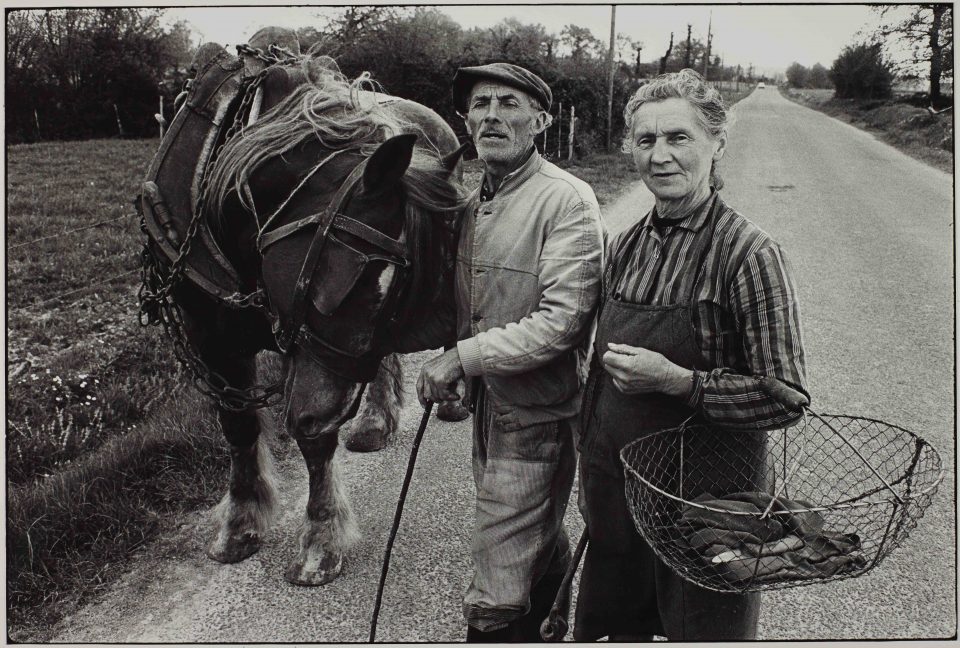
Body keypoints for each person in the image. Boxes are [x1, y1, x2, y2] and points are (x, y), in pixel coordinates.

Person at [574, 69, 809, 641]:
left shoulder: (749, 254)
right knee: (618, 628)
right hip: (621, 499)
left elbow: (785, 399)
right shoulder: (627, 243)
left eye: (678, 138)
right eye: (646, 140)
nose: (660, 156)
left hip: (709, 509)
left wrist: (680, 382)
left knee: (703, 631)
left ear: (717, 143)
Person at [416, 62, 605, 642]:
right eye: (480, 104)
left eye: (509, 104)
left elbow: (563, 322)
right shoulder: (476, 200)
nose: (491, 116)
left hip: (538, 416)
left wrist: (462, 359)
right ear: (465, 119)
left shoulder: (565, 199)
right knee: (534, 538)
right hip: (493, 408)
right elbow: (471, 300)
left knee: (497, 577)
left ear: (542, 121)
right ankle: (549, 626)